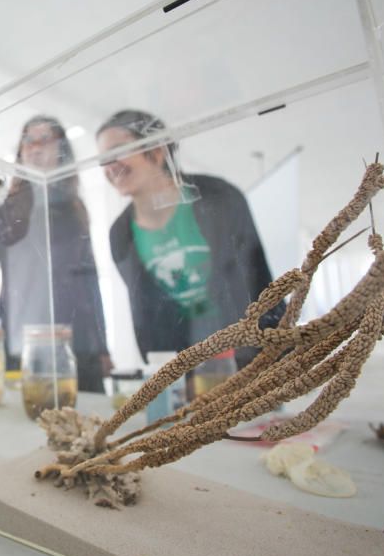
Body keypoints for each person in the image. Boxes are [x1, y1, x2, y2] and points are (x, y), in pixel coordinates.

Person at [97, 109, 280, 369]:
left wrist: (276, 357)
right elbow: (146, 313)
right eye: (103, 158)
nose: (110, 166)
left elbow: (260, 279)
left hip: (251, 363)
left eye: (118, 151)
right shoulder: (120, 234)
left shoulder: (220, 197)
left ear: (157, 150)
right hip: (180, 374)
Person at [0, 116, 111, 393]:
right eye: (28, 140)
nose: (35, 146)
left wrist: (101, 346)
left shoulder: (74, 208)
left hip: (75, 349)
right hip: (19, 347)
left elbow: (89, 281)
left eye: (45, 139)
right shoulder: (2, 209)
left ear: (62, 149)